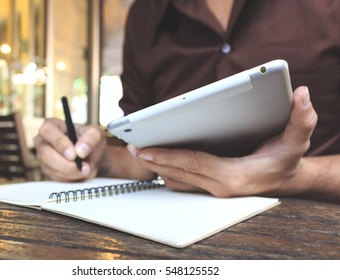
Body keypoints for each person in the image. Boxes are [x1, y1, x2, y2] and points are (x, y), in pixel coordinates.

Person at [34, 0, 340, 203]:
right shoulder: (144, 15)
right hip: (173, 232)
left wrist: (297, 177)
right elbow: (146, 158)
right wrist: (94, 157)